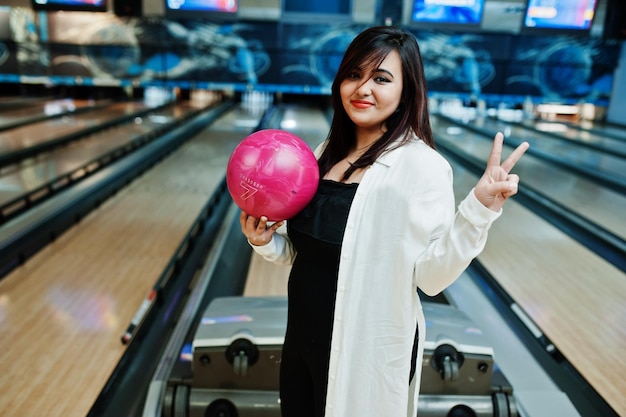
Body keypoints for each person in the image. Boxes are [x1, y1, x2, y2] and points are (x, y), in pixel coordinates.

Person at [239, 26, 529, 417]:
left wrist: (478, 209)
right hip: (302, 342)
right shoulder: (323, 154)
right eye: (354, 75)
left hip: (366, 352)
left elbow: (430, 277)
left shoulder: (422, 167)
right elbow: (307, 252)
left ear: (406, 90)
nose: (363, 88)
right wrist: (264, 241)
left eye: (381, 78)